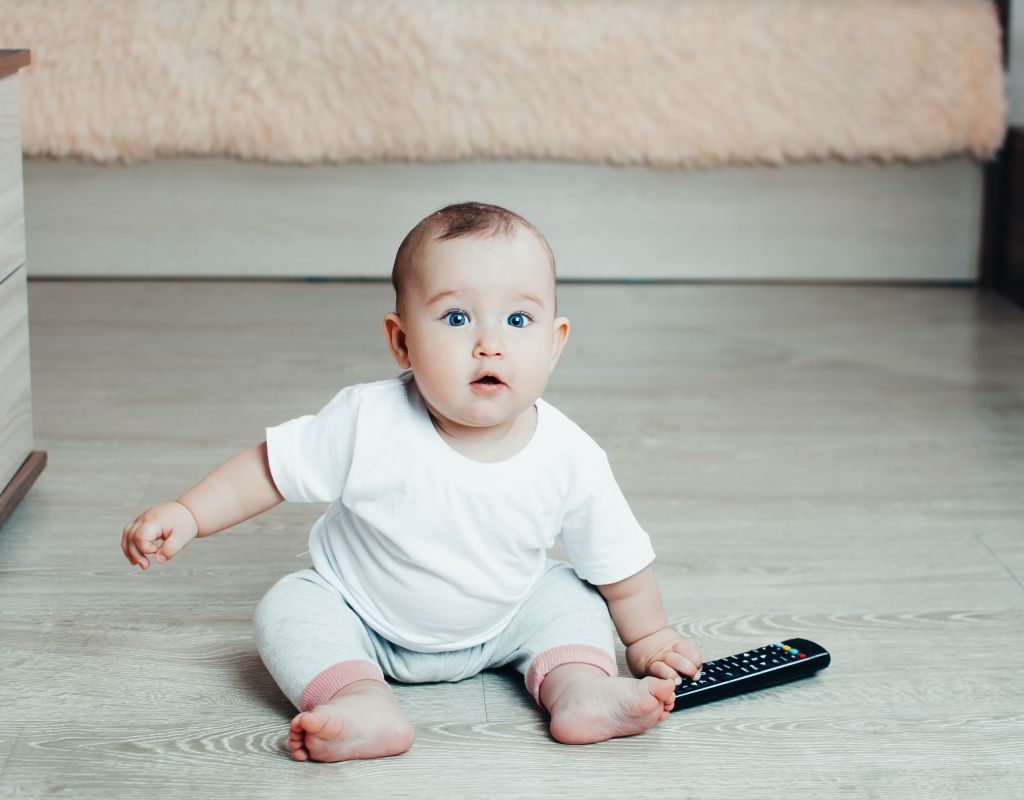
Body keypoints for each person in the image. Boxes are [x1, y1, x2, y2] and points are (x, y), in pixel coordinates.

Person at [120, 201, 702, 762]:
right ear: (401, 340)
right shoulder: (366, 419)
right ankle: (360, 700)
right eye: (456, 318)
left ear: (555, 342)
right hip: (364, 614)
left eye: (518, 319)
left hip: (505, 617)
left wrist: (648, 636)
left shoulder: (570, 454)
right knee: (289, 608)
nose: (488, 343)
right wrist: (191, 513)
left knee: (573, 595)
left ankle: (581, 690)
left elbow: (619, 563)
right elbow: (268, 469)